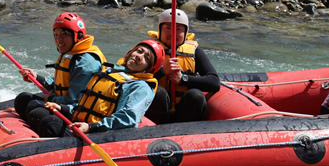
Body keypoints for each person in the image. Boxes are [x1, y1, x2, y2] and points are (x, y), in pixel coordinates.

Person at [32, 39, 165, 137]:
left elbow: (127, 119)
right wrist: (64, 108)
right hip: (83, 123)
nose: (139, 56)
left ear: (149, 68)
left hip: (100, 133)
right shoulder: (112, 72)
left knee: (49, 123)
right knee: (37, 112)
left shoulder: (140, 87)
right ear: (131, 52)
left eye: (146, 58)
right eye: (139, 51)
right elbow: (86, 103)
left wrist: (91, 127)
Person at [14, 12, 106, 128]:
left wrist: (52, 99)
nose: (58, 40)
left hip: (79, 112)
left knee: (36, 112)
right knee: (23, 99)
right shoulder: (72, 52)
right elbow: (62, 82)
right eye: (56, 35)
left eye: (63, 35)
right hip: (65, 103)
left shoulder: (86, 63)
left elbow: (77, 101)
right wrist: (37, 78)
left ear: (77, 36)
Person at [144, 9, 220, 124]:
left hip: (186, 114)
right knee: (158, 92)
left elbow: (214, 83)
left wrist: (183, 79)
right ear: (160, 30)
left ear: (185, 32)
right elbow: (132, 80)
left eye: (178, 29)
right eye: (167, 28)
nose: (172, 33)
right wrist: (162, 72)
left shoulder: (196, 52)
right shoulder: (147, 50)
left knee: (196, 95)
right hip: (157, 113)